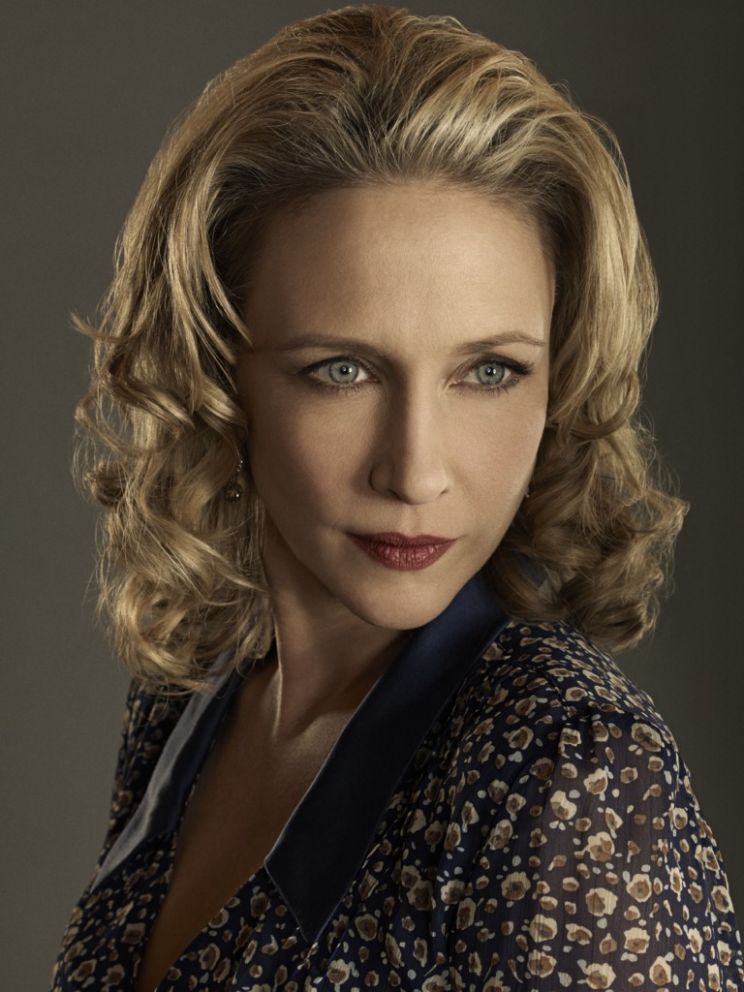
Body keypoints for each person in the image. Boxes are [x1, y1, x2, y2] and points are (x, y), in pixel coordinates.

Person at [49, 5, 743, 991]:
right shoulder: (194, 695)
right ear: (215, 374)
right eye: (342, 370)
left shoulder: (569, 771)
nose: (416, 472)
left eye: (491, 371)